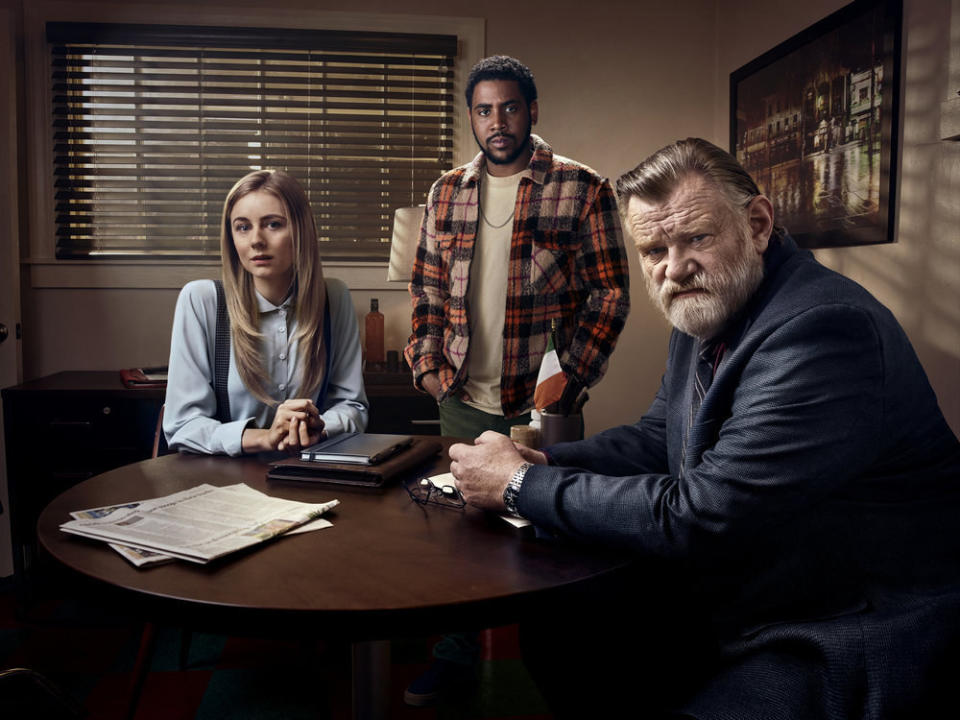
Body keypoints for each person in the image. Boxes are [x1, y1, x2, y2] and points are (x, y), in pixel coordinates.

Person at [448, 138, 960, 718]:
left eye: (697, 238)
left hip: (845, 622)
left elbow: (700, 513)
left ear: (759, 224)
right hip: (756, 583)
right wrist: (546, 464)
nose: (675, 267)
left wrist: (518, 486)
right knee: (561, 624)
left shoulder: (824, 331)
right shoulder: (708, 309)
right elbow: (655, 439)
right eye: (654, 249)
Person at [402, 55, 631, 705]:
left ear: (532, 110)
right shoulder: (446, 192)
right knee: (458, 537)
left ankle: (552, 664)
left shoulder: (582, 187)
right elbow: (423, 287)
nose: (496, 122)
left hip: (542, 402)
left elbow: (608, 294)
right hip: (461, 398)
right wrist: (427, 368)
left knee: (547, 536)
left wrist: (572, 380)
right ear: (471, 116)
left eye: (509, 107)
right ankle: (455, 659)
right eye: (483, 109)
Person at [164, 169, 368, 455]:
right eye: (243, 227)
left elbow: (353, 407)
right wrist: (264, 437)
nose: (256, 240)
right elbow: (182, 427)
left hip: (307, 473)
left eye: (273, 224)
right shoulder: (201, 300)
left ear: (301, 230)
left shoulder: (332, 297)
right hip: (224, 478)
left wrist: (316, 426)